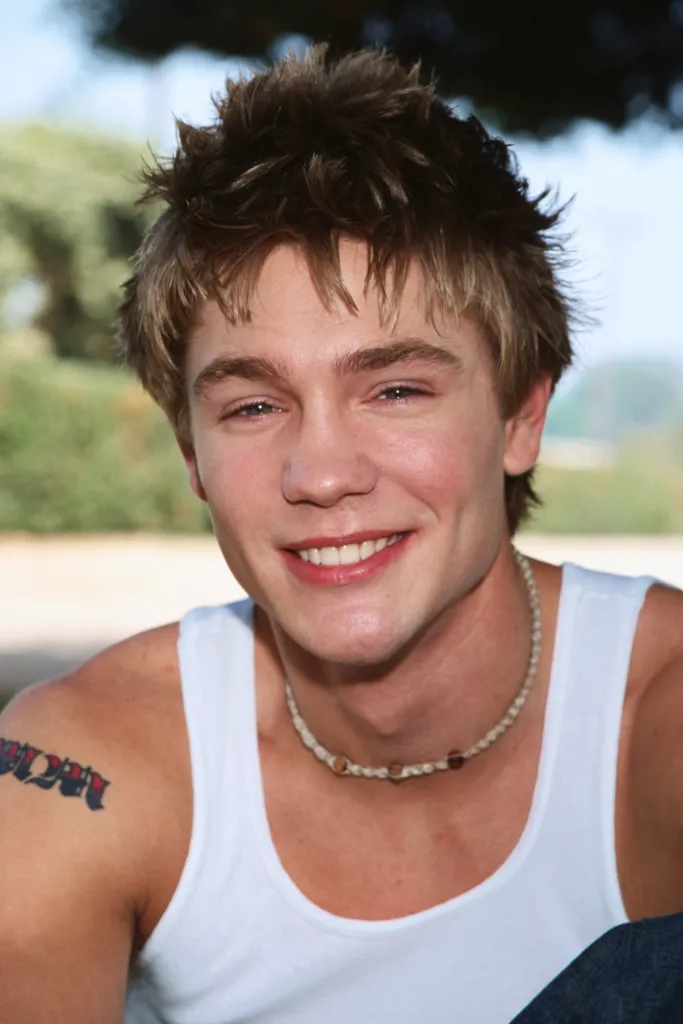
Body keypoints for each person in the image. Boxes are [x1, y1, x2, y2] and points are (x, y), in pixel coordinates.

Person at [1, 45, 682, 1024]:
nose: (319, 473)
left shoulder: (651, 713)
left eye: (394, 388)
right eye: (250, 405)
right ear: (190, 451)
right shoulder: (91, 759)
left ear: (520, 417)